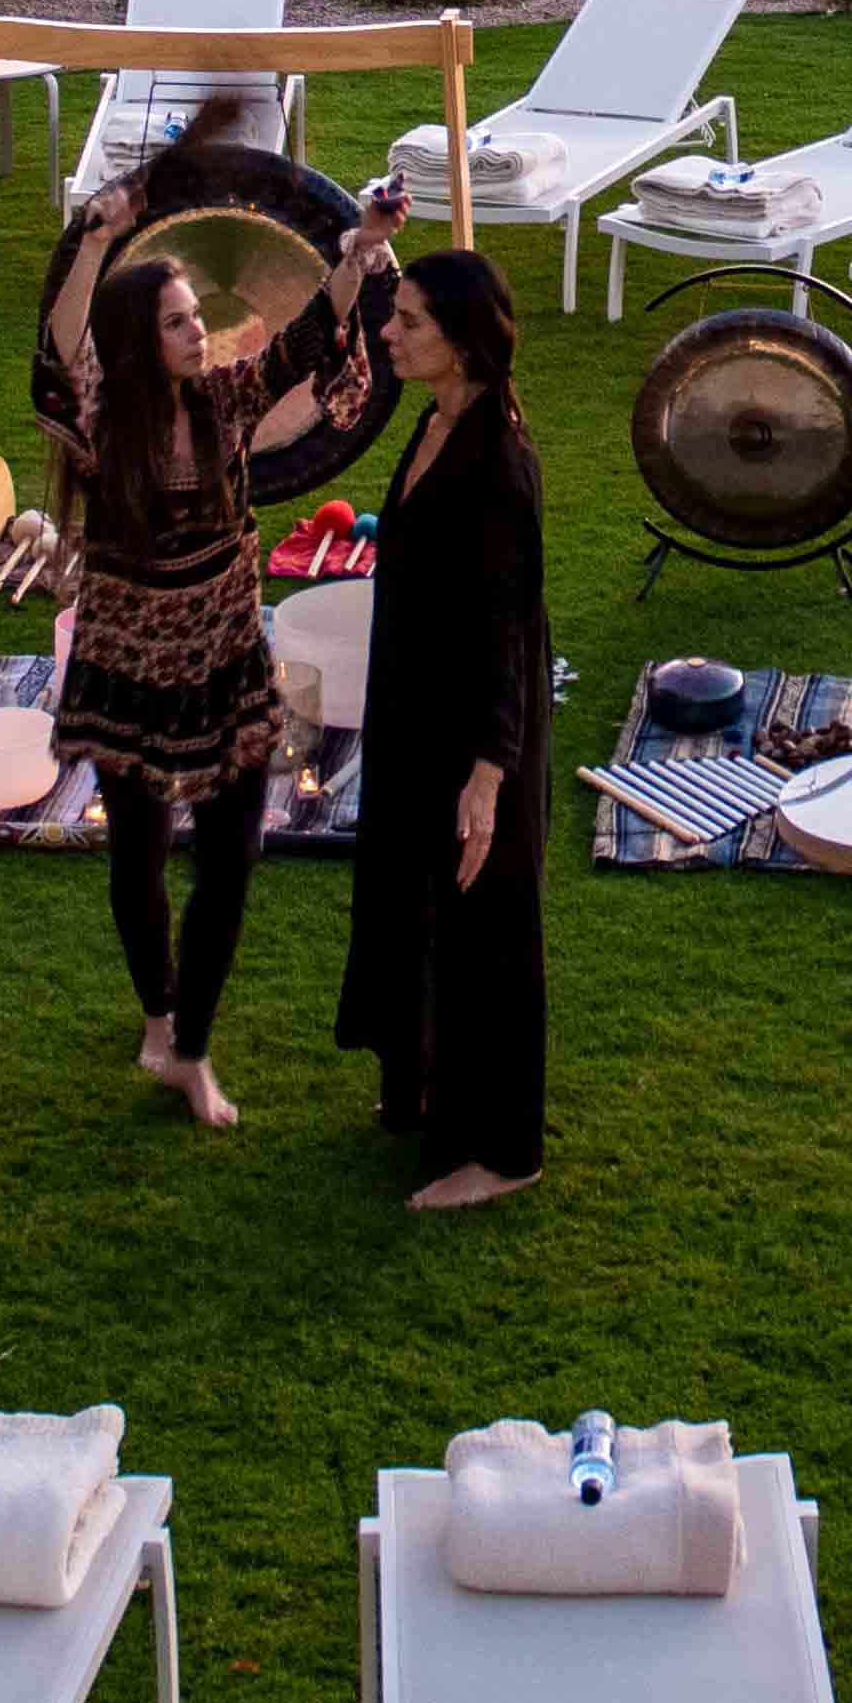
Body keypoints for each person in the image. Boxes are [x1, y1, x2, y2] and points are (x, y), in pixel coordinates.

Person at [37, 159, 393, 1134]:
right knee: (141, 853)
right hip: (130, 665)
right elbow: (61, 344)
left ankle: (192, 1048)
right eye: (179, 321)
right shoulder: (106, 420)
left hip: (228, 656)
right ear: (135, 342)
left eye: (198, 315)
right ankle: (157, 1015)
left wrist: (359, 252)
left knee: (232, 856)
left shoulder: (225, 399)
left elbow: (307, 339)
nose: (201, 331)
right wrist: (98, 239)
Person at [332, 244, 554, 1207]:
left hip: (475, 734)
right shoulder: (434, 424)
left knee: (486, 931)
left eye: (410, 319)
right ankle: (419, 1084)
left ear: (461, 342)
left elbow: (507, 629)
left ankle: (503, 1152)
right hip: (415, 717)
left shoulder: (497, 464)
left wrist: (488, 775)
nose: (390, 330)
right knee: (415, 900)